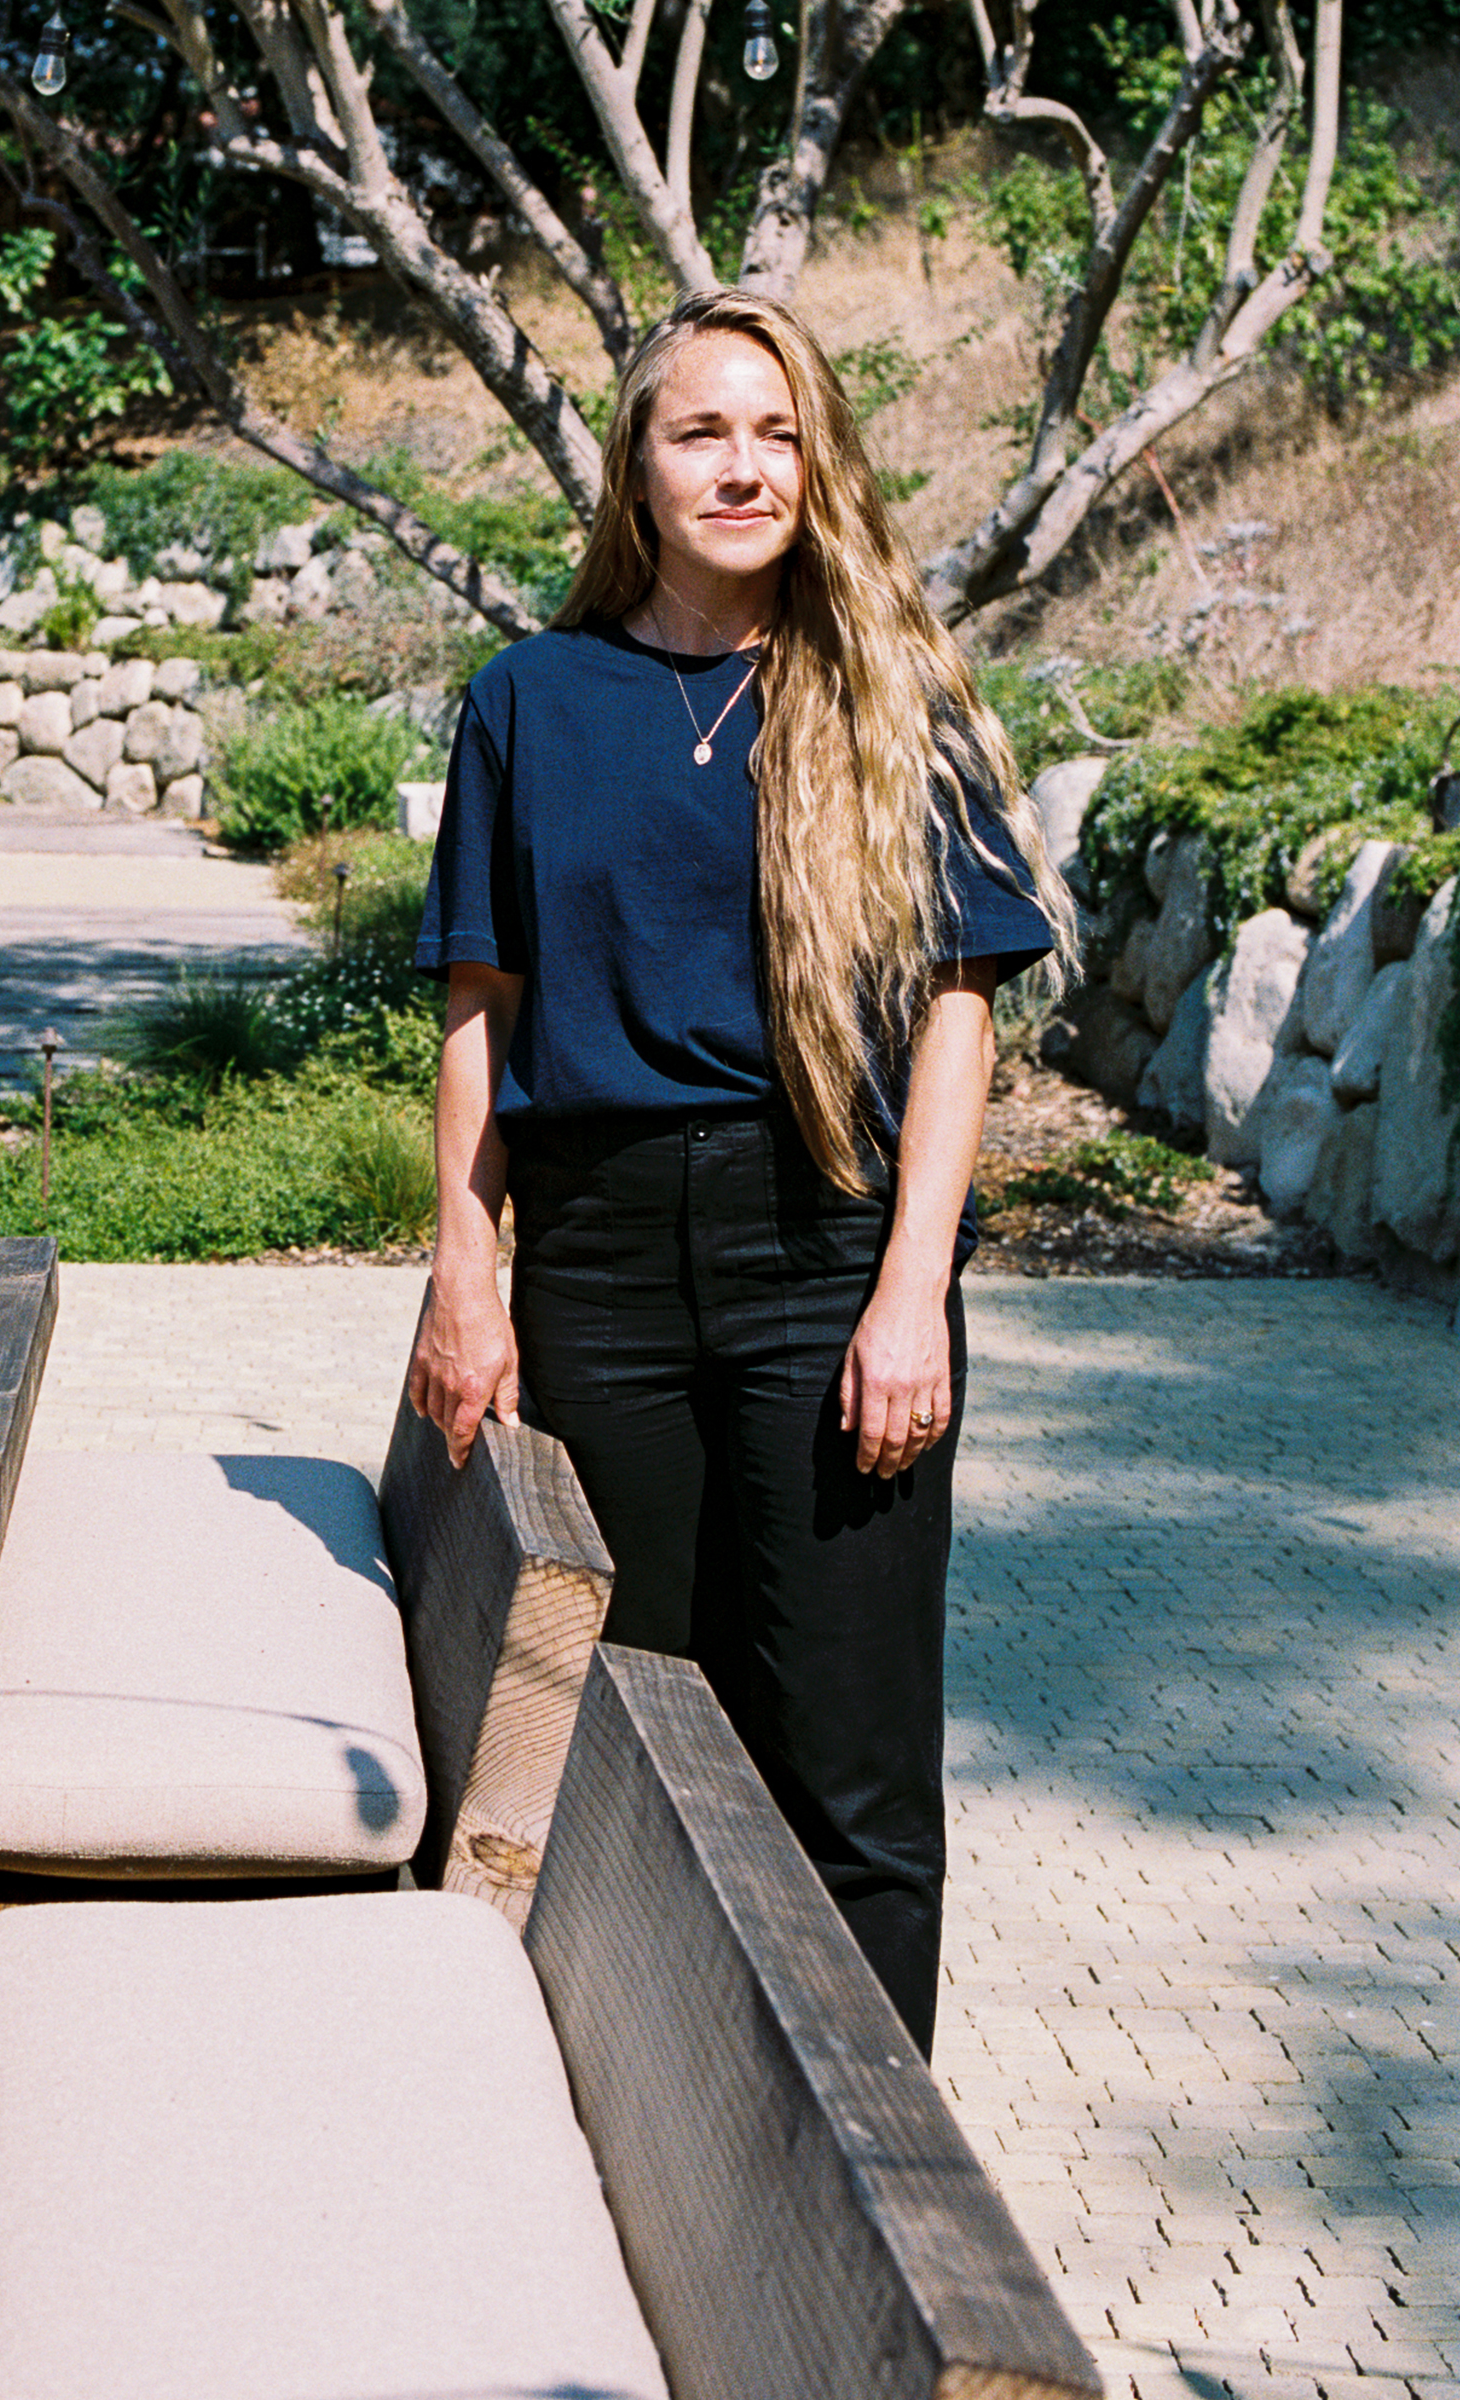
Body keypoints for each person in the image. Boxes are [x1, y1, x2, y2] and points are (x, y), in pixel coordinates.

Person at [406, 286, 1078, 2058]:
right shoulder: (530, 700)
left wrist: (911, 1292)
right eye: (704, 428)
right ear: (637, 460)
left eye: (779, 433)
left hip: (824, 1245)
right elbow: (483, 1006)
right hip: (603, 1266)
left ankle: (877, 2198)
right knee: (631, 1730)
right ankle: (652, 2144)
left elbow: (954, 1013)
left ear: (819, 461)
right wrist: (464, 1276)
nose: (745, 464)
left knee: (850, 1772)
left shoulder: (887, 692)